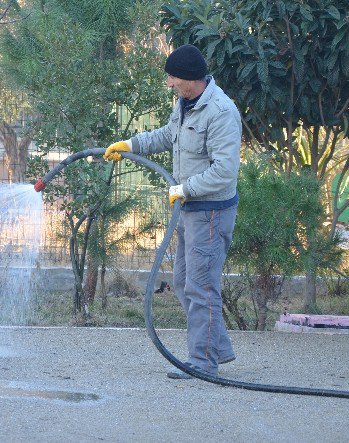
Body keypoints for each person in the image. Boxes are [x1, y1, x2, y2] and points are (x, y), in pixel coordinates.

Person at [104, 44, 242, 379]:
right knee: (183, 282)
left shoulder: (221, 112)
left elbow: (224, 172)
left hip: (209, 213)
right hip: (190, 210)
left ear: (191, 79)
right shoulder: (185, 104)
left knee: (200, 286)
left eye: (173, 77)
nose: (169, 83)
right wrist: (132, 145)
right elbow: (169, 135)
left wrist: (185, 188)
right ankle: (216, 349)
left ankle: (203, 363)